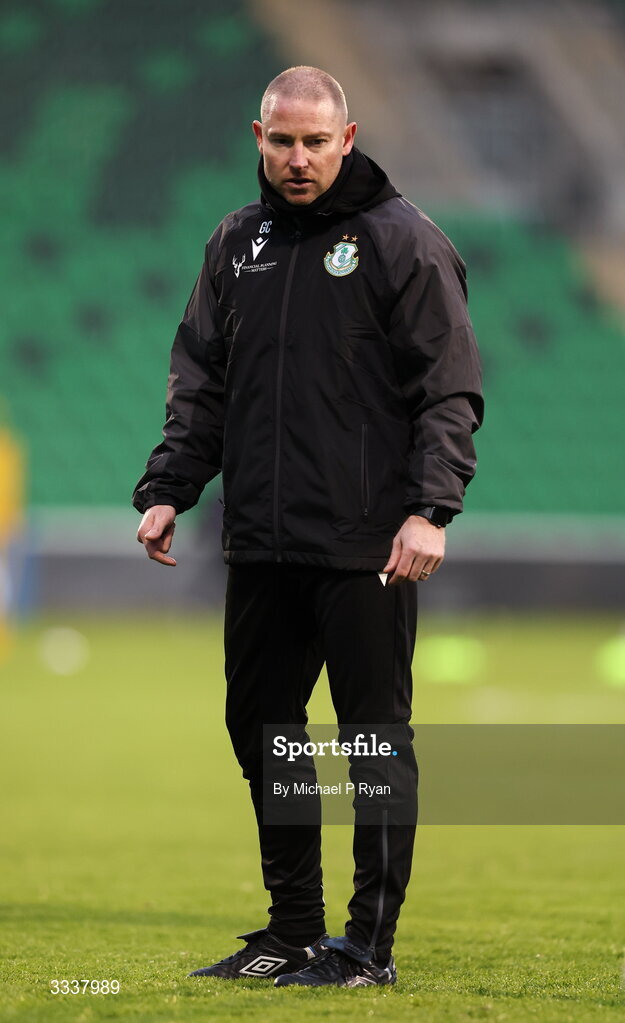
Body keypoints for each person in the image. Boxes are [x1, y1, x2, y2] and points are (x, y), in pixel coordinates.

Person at [133, 66, 483, 988]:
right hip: (259, 541)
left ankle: (365, 947)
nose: (297, 159)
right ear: (257, 136)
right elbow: (201, 380)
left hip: (367, 545)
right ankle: (291, 930)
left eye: (314, 142)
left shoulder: (404, 242)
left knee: (372, 742)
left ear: (348, 135)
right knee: (265, 734)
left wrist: (429, 507)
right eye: (281, 141)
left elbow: (448, 388)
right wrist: (170, 485)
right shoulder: (234, 243)